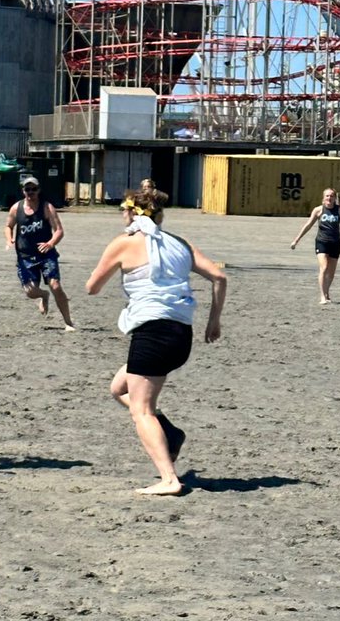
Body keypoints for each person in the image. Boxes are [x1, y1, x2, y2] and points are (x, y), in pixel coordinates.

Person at [86, 186, 226, 495]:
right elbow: (219, 277)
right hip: (181, 335)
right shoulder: (179, 243)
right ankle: (170, 433)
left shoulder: (124, 243)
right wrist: (213, 321)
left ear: (131, 213)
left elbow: (92, 287)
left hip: (153, 334)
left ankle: (169, 479)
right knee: (118, 388)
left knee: (141, 411)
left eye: (123, 211)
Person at [4, 175, 74, 330]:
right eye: (27, 189)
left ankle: (68, 322)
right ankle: (43, 295)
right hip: (25, 256)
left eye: (34, 189)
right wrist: (9, 240)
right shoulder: (16, 208)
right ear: (23, 191)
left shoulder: (47, 207)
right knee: (30, 291)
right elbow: (8, 226)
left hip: (46, 254)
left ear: (39, 190)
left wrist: (50, 243)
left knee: (55, 285)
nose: (31, 192)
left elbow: (59, 231)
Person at [291, 187, 340, 305]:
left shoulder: (339, 210)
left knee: (331, 272)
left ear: (335, 198)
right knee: (324, 267)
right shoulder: (318, 210)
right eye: (327, 196)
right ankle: (322, 296)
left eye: (331, 196)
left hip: (335, 243)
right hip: (322, 242)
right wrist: (296, 240)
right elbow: (308, 225)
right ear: (323, 197)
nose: (329, 198)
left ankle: (327, 292)